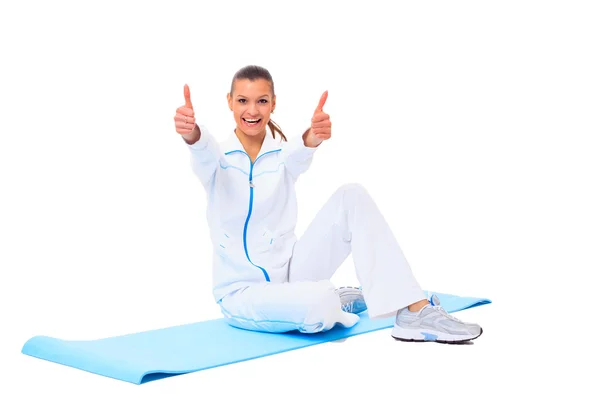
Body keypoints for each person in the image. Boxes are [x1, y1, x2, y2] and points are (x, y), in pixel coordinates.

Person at [173, 65, 482, 343]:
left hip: (293, 272)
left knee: (353, 195)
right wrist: (192, 133)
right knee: (320, 303)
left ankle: (415, 310)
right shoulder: (218, 159)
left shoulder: (281, 156)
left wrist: (313, 136)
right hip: (243, 294)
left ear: (273, 103)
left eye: (261, 100)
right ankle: (334, 297)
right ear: (229, 102)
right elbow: (202, 149)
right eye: (242, 100)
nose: (252, 110)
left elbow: (298, 150)